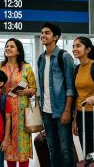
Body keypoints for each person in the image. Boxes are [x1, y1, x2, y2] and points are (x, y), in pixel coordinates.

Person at [37, 23, 75, 167]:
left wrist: (67, 111)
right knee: (52, 148)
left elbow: (70, 87)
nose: (43, 35)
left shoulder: (64, 57)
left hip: (61, 111)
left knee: (66, 149)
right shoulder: (41, 59)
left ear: (56, 37)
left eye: (47, 33)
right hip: (46, 111)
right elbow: (42, 87)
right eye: (42, 33)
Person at [0, 38, 37, 167]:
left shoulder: (27, 68)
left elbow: (34, 89)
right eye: (6, 46)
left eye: (11, 46)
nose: (8, 48)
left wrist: (26, 92)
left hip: (22, 113)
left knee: (22, 144)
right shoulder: (0, 67)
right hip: (4, 111)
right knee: (7, 143)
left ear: (18, 51)